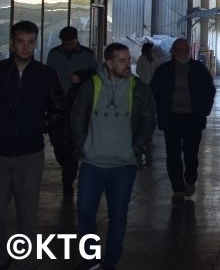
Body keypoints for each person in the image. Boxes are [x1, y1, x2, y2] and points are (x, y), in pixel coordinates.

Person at [70, 43, 156, 270]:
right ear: (109, 63)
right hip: (92, 163)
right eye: (122, 60)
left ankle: (110, 262)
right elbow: (77, 116)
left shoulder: (139, 89)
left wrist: (135, 149)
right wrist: (83, 147)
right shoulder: (91, 86)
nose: (128, 64)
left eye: (128, 60)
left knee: (118, 217)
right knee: (85, 212)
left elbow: (149, 121)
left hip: (123, 166)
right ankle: (91, 258)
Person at [0, 21, 66, 270]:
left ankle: (24, 263)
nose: (25, 47)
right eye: (20, 42)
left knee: (27, 215)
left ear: (35, 43)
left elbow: (60, 110)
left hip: (30, 155)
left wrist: (39, 125)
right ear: (12, 43)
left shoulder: (45, 75)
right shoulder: (1, 72)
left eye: (30, 42)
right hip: (0, 153)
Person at [150, 38, 215, 203]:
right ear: (173, 52)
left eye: (185, 50)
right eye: (179, 51)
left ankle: (190, 178)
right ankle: (177, 188)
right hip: (171, 119)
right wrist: (160, 113)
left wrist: (204, 110)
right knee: (173, 155)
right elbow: (154, 92)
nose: (183, 53)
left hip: (192, 119)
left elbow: (210, 90)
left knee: (191, 153)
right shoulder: (163, 71)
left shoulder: (198, 69)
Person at [45, 26, 97, 197]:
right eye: (65, 43)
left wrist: (82, 76)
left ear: (76, 40)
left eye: (71, 43)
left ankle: (68, 179)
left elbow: (96, 76)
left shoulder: (87, 55)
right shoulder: (54, 54)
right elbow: (48, 76)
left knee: (73, 144)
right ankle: (65, 164)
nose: (68, 46)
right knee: (58, 142)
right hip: (57, 105)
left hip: (79, 106)